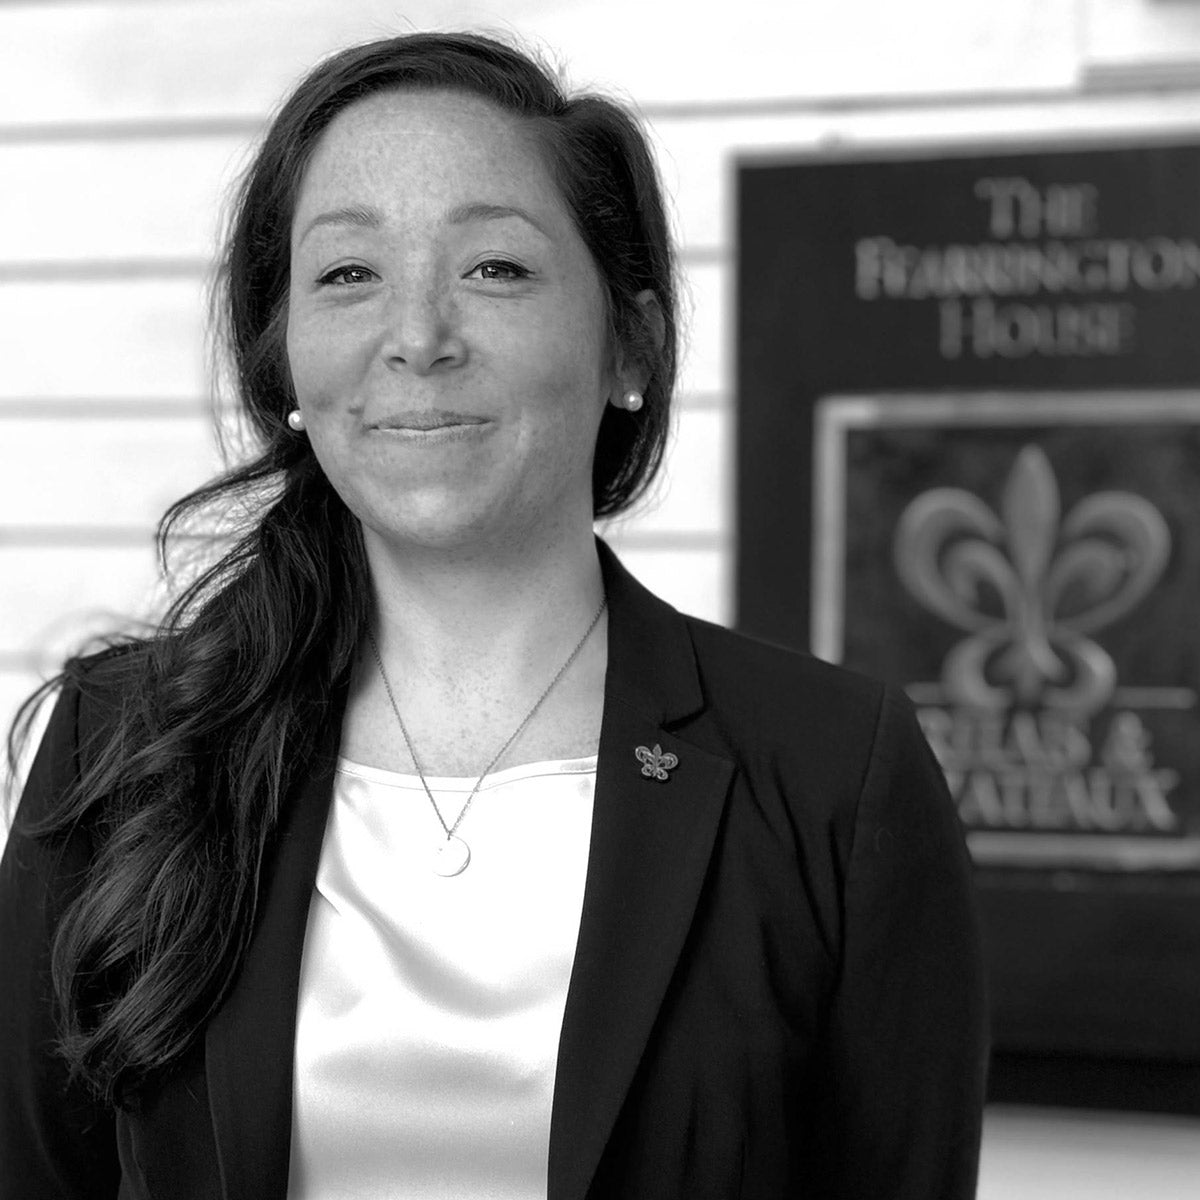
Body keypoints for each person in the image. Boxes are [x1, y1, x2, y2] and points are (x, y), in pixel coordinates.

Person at [0, 31, 988, 1200]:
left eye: (495, 269)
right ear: (283, 362)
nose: (417, 339)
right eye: (348, 274)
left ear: (632, 346)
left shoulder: (832, 775)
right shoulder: (125, 748)